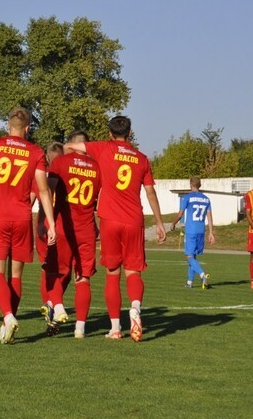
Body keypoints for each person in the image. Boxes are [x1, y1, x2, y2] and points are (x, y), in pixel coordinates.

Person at [64, 115, 166, 342]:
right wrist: (159, 222)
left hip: (110, 219)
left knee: (112, 273)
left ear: (110, 133)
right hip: (134, 220)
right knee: (133, 271)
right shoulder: (142, 158)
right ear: (130, 133)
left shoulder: (103, 148)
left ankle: (115, 328)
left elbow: (73, 146)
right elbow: (150, 192)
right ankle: (135, 307)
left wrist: (67, 150)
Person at [0, 107, 56, 345]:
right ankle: (6, 325)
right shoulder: (35, 151)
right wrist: (51, 224)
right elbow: (43, 190)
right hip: (21, 218)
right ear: (28, 128)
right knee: (16, 275)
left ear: (8, 126)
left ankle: (8, 317)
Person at [42, 130, 101, 339]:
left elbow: (48, 190)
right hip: (86, 228)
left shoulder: (61, 162)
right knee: (83, 278)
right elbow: (100, 200)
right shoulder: (97, 166)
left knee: (55, 272)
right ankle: (80, 328)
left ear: (71, 144)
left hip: (64, 226)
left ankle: (57, 306)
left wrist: (47, 219)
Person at [34, 141, 65, 321]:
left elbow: (34, 199)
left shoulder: (43, 175)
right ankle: (52, 303)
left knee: (47, 267)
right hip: (58, 226)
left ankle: (50, 303)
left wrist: (40, 222)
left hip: (48, 225)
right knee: (58, 268)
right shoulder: (63, 174)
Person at [170, 176, 215, 289]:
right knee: (193, 256)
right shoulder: (206, 199)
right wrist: (211, 233)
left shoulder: (187, 197)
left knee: (189, 256)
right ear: (200, 185)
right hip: (201, 230)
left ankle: (202, 275)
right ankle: (189, 282)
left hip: (191, 230)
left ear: (190, 184)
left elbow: (180, 214)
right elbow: (209, 217)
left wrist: (173, 223)